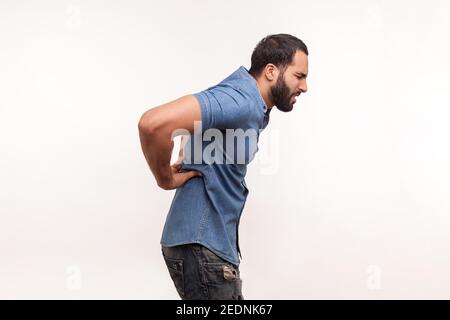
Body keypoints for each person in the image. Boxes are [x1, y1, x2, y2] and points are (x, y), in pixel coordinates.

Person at [138, 33, 309, 300]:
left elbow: (203, 122)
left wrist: (192, 137)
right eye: (299, 76)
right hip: (204, 248)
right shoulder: (242, 99)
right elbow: (152, 124)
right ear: (272, 71)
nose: (304, 86)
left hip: (205, 246)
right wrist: (165, 179)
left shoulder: (248, 102)